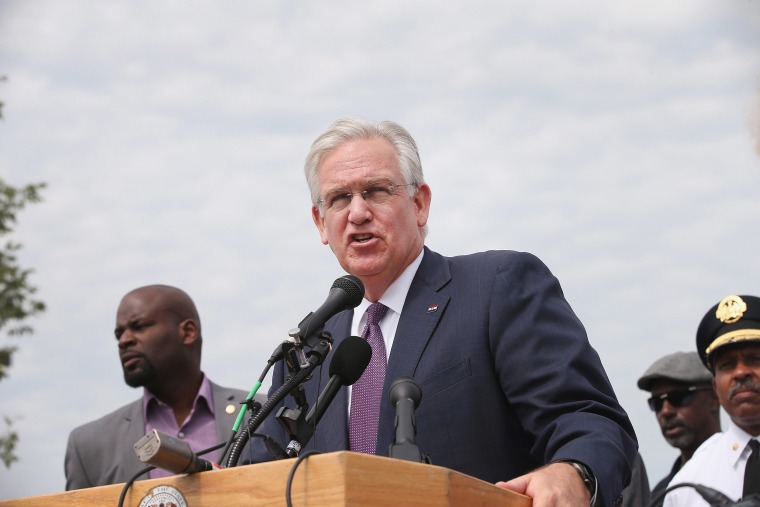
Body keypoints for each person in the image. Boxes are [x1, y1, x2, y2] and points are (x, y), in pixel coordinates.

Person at [249, 118, 638, 507]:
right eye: (339, 199)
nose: (358, 213)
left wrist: (573, 471)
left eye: (376, 191)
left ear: (419, 204)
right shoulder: (307, 351)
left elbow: (588, 419)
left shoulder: (496, 289)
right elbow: (260, 476)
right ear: (320, 223)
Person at [65, 285, 261, 489]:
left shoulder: (265, 414)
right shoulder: (88, 445)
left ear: (188, 332)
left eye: (139, 326)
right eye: (119, 334)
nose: (123, 341)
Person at [664, 294, 760, 506]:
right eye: (727, 364)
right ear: (715, 387)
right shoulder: (689, 484)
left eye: (754, 359)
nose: (741, 372)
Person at [637, 351, 721, 505]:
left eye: (678, 398)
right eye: (657, 403)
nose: (666, 411)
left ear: (715, 398)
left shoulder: (749, 471)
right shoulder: (660, 497)